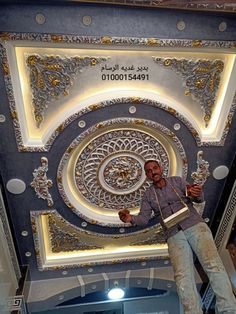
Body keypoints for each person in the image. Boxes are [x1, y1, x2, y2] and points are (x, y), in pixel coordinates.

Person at [119, 160, 236, 314]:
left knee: (213, 264)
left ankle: (228, 309)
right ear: (146, 175)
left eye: (155, 168)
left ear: (161, 169)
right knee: (182, 276)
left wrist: (197, 193)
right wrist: (129, 219)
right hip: (173, 234)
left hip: (194, 225)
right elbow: (144, 218)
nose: (152, 172)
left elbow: (196, 197)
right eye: (148, 171)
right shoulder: (147, 195)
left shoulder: (177, 181)